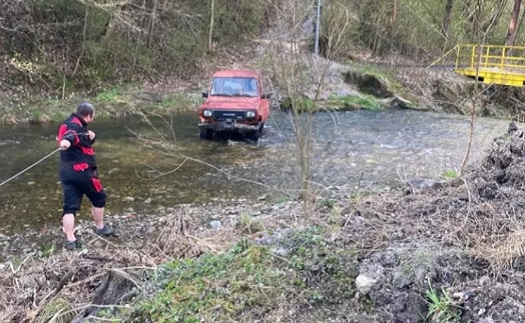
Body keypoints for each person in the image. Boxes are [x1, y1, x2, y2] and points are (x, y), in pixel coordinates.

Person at [57, 102, 114, 250]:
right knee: (99, 197)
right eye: (92, 117)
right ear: (88, 115)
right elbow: (72, 135)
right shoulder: (75, 127)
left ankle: (70, 239)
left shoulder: (69, 122)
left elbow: (80, 139)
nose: (92, 119)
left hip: (66, 173)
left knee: (69, 207)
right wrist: (67, 141)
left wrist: (91, 137)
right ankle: (100, 227)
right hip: (83, 172)